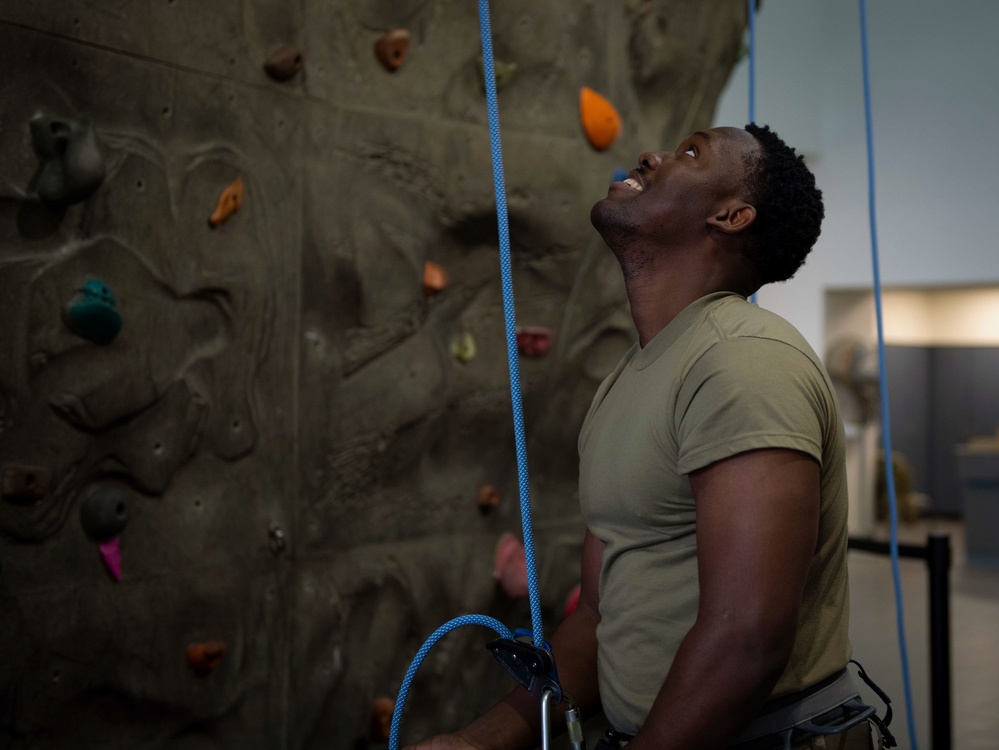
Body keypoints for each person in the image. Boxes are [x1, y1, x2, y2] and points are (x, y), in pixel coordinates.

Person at [409, 124, 888, 750]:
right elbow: (599, 620)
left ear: (731, 214)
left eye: (690, 152)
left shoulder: (743, 361)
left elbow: (745, 638)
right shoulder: (630, 379)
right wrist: (482, 740)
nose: (649, 156)